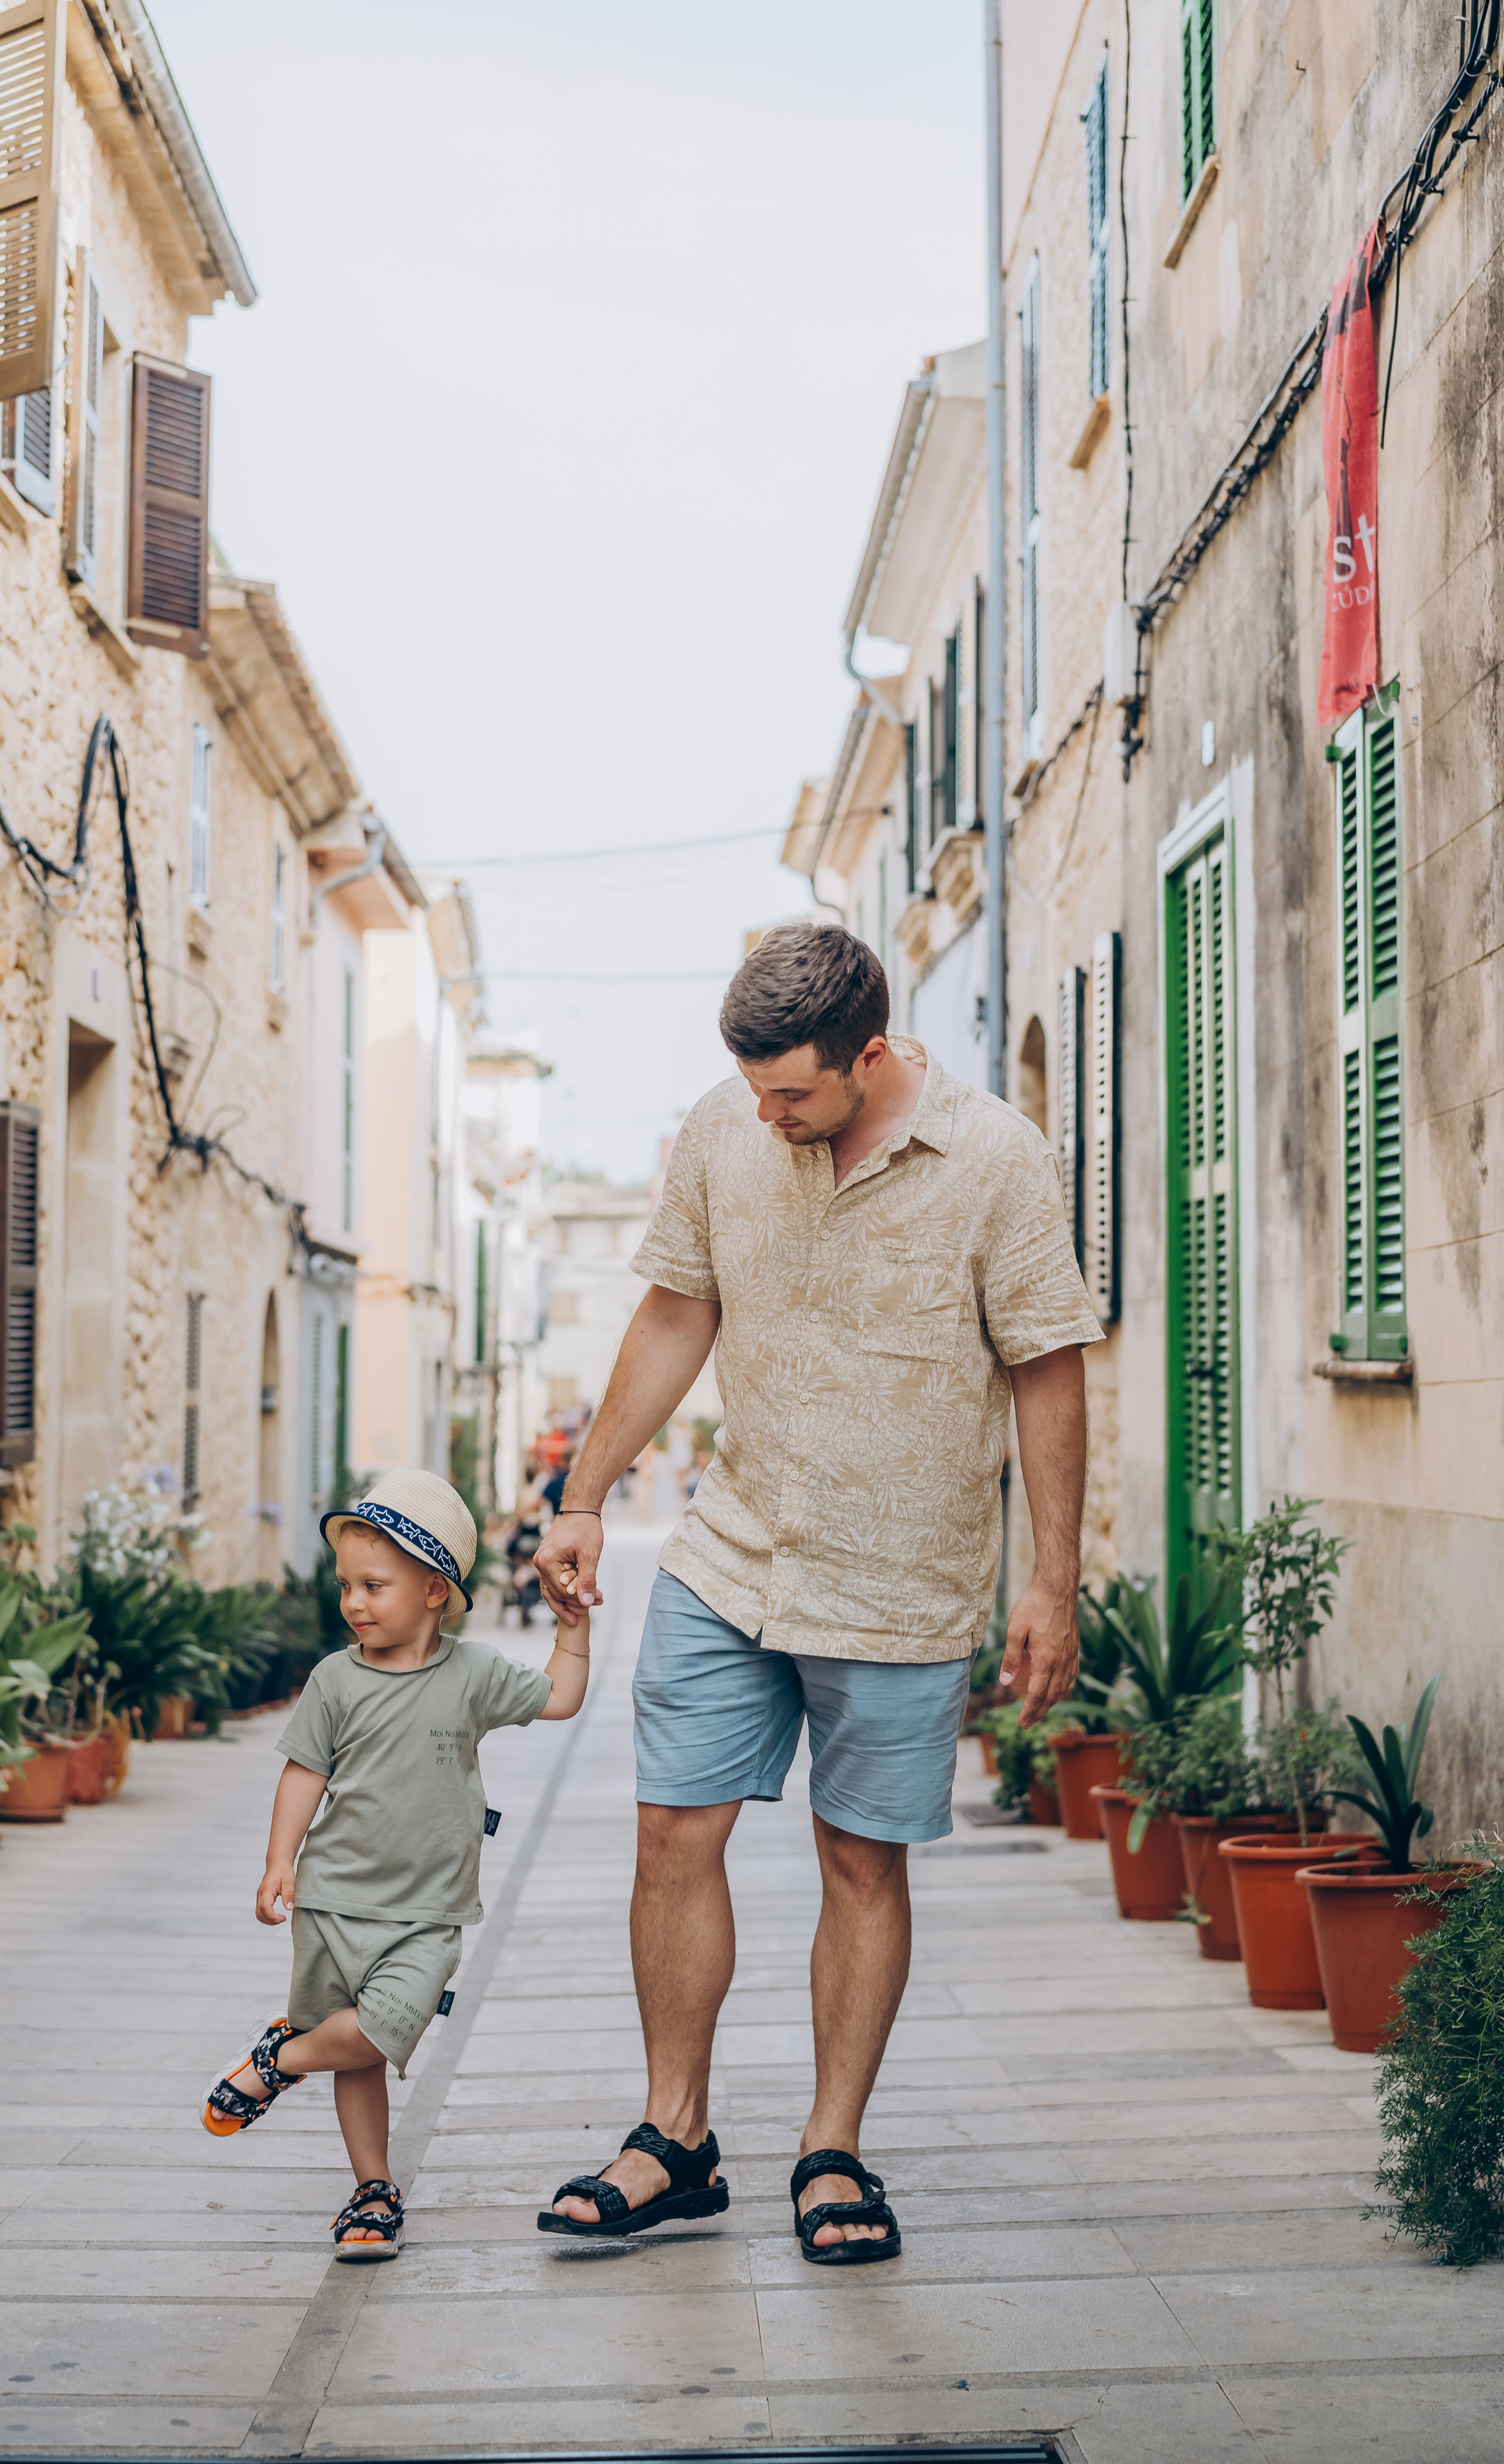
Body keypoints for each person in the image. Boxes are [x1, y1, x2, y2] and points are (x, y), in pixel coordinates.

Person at [535, 924, 1100, 2264]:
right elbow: (678, 1312)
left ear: (871, 1054)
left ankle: (832, 2147)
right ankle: (675, 2138)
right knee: (671, 1837)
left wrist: (1056, 1584)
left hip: (902, 1580)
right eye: (751, 1089)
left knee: (859, 1860)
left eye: (793, 1092)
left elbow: (1047, 1368)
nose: (766, 1114)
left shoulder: (999, 1160)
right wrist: (583, 1492)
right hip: (730, 1555)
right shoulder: (728, 1134)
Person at [202, 1466, 591, 2260]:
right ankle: (371, 2192)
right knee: (359, 2056)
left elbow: (558, 1698)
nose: (352, 1602)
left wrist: (571, 1626)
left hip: (428, 1910)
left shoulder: (473, 1674)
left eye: (372, 1585)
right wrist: (280, 1860)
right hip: (332, 1902)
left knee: (376, 2034)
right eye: (346, 1585)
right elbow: (304, 1771)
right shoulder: (335, 1680)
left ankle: (280, 2057)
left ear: (433, 1591)